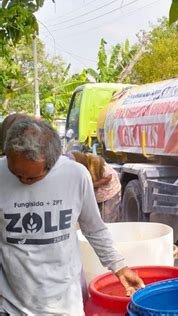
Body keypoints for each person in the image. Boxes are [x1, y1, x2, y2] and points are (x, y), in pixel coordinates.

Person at [0, 118, 144, 315]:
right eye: (16, 174)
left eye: (32, 177)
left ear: (52, 162)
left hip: (65, 303)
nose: (24, 181)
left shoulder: (75, 175)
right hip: (11, 305)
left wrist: (118, 266)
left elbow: (93, 228)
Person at [68, 151, 122, 223]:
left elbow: (108, 177)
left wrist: (91, 185)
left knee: (108, 219)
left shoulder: (94, 162)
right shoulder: (80, 167)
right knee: (97, 217)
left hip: (110, 190)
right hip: (99, 193)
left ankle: (109, 232)